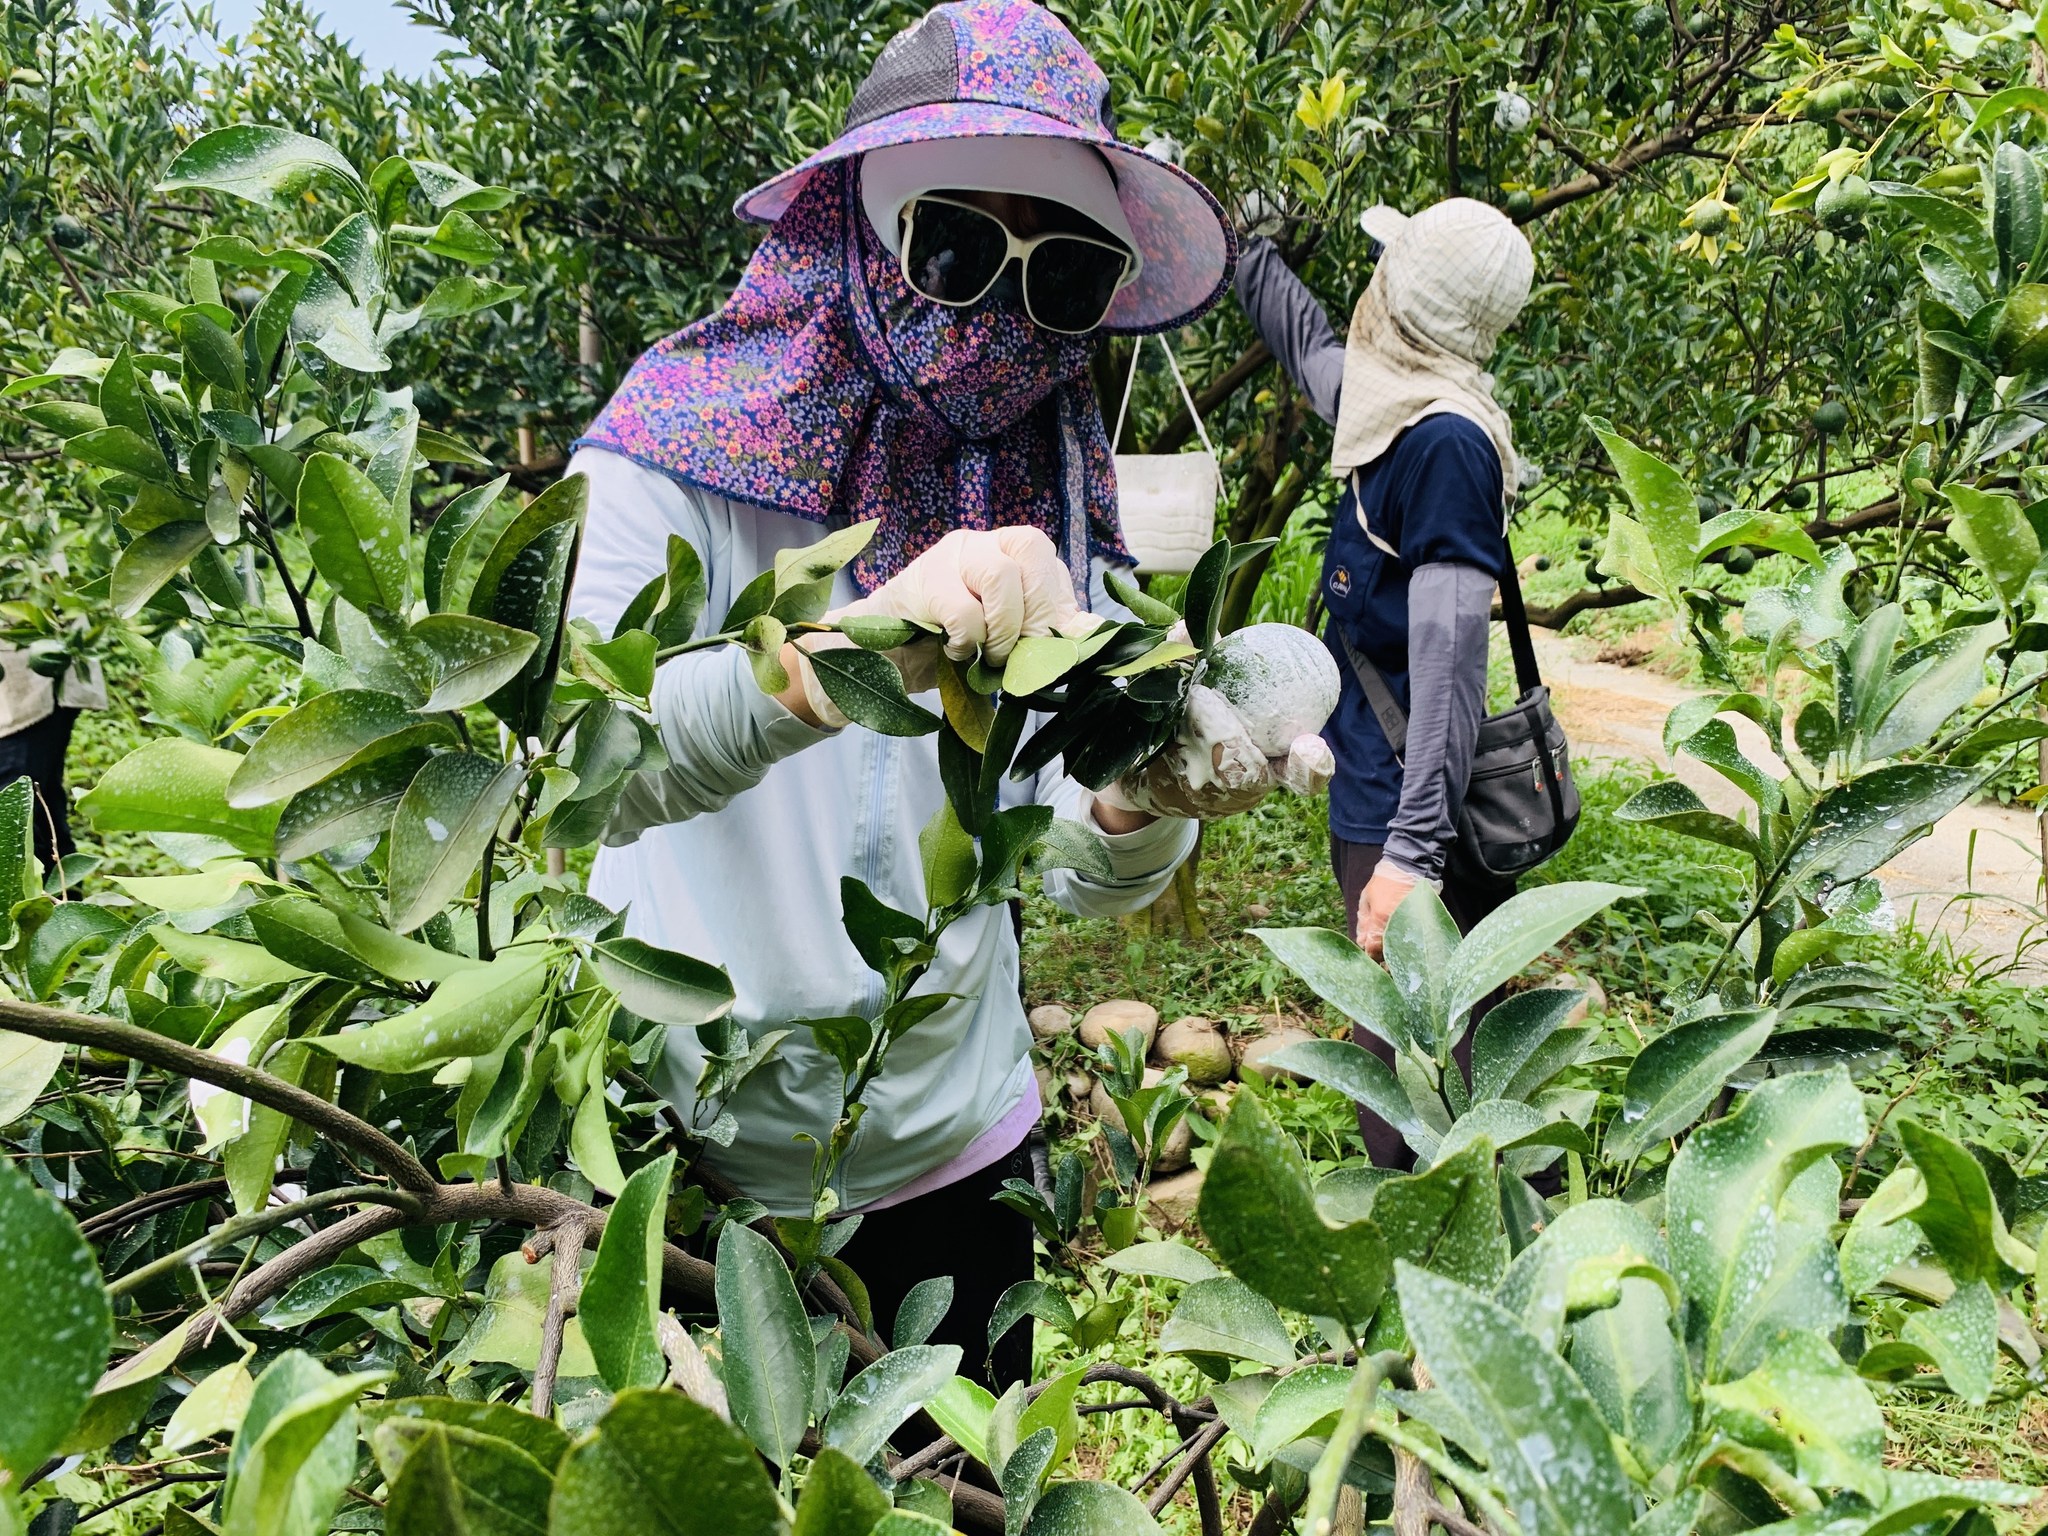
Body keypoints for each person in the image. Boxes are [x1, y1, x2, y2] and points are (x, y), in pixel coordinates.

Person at [563, 0, 1329, 1387]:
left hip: (964, 1149)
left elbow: (1077, 860)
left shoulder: (1053, 500)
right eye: (959, 246)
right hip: (696, 1159)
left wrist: (1140, 798)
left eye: (1061, 279)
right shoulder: (667, 454)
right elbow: (591, 768)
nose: (994, 325)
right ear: (856, 228)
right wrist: (831, 659)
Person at [1235, 199, 1534, 1167]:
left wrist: (1412, 857)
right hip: (1374, 778)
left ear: (1403, 300)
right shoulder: (1390, 411)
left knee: (1411, 1038)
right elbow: (1312, 353)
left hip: (1413, 800)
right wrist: (1243, 251)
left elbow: (1451, 667)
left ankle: (1432, 1253)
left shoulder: (1444, 446)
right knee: (1416, 1022)